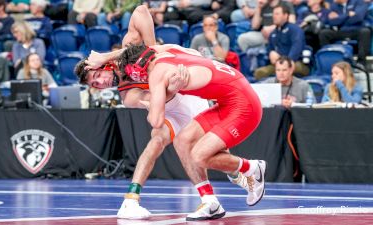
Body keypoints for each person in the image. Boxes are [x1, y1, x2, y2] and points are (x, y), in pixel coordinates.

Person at [78, 5, 234, 221]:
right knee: (157, 140)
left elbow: (141, 10)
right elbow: (156, 102)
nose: (101, 83)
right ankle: (131, 200)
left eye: (97, 76)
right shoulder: (127, 94)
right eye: (96, 84)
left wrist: (150, 50)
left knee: (217, 153)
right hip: (171, 96)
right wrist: (168, 85)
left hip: (191, 75)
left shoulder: (128, 48)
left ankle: (239, 170)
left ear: (103, 66)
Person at [116, 42, 267, 214]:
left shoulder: (156, 74)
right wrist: (171, 90)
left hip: (243, 106)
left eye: (132, 75)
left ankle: (252, 168)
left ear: (136, 69)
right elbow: (195, 53)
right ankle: (210, 202)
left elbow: (156, 121)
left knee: (198, 156)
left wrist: (151, 106)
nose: (134, 79)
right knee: (182, 141)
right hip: (231, 97)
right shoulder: (168, 53)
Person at [254, 4, 309, 80]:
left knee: (288, 69)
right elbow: (269, 49)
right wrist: (271, 53)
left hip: (295, 62)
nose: (274, 16)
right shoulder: (273, 33)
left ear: (285, 15)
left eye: (277, 14)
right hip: (279, 65)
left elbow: (296, 48)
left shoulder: (295, 29)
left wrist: (286, 61)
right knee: (259, 72)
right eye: (273, 14)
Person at [318, 0, 371, 68]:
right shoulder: (334, 5)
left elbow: (358, 18)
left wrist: (340, 18)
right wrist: (347, 15)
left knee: (365, 32)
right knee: (324, 33)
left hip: (356, 30)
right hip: (341, 31)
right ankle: (328, 61)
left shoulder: (359, 2)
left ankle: (361, 62)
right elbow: (332, 21)